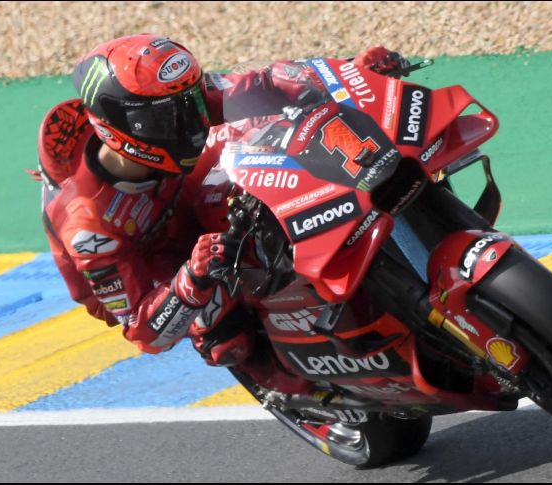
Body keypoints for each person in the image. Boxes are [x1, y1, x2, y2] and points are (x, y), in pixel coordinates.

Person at [36, 34, 408, 372]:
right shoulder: (87, 226)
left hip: (182, 194)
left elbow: (264, 83)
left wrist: (350, 74)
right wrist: (191, 278)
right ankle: (307, 394)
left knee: (262, 128)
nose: (192, 121)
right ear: (124, 127)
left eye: (191, 100)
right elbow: (144, 333)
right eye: (170, 117)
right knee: (224, 337)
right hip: (152, 266)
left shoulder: (170, 108)